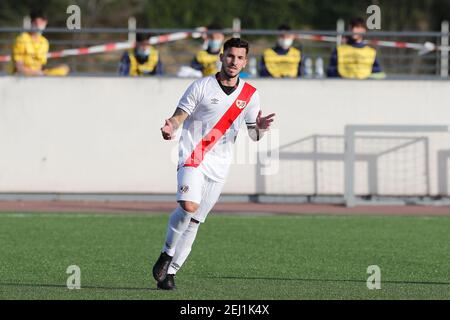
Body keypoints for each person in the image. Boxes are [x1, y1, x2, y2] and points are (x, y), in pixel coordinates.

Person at [152, 38, 276, 290]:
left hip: (220, 164)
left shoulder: (251, 95)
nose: (234, 62)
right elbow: (179, 117)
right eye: (230, 56)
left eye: (240, 58)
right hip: (194, 155)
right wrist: (170, 127)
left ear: (245, 61)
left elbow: (253, 135)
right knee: (188, 206)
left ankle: (172, 272)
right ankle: (166, 253)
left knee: (196, 220)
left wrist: (260, 129)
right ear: (221, 57)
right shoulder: (202, 86)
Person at [12, 9, 70, 76]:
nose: (39, 25)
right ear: (32, 22)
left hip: (39, 75)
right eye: (36, 23)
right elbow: (19, 67)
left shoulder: (44, 42)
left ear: (45, 23)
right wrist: (36, 73)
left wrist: (48, 71)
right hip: (23, 76)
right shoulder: (22, 39)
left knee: (64, 68)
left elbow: (41, 66)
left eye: (42, 23)